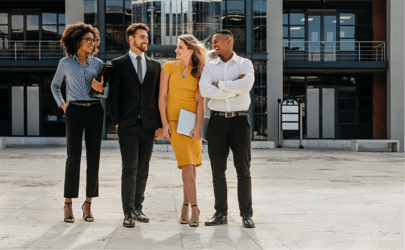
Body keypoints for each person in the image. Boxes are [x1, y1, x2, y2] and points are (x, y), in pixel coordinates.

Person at [51, 22, 108, 223]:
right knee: (73, 157)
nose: (92, 43)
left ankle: (88, 204)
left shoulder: (98, 64)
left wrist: (102, 91)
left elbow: (107, 89)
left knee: (94, 158)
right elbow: (55, 85)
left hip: (94, 110)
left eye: (94, 40)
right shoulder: (65, 63)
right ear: (77, 42)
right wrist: (63, 105)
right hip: (74, 111)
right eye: (88, 40)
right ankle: (68, 204)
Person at [199, 30, 256, 228]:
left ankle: (246, 214)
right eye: (213, 42)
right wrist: (233, 90)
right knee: (217, 170)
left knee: (243, 170)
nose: (213, 44)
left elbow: (247, 84)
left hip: (240, 122)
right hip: (216, 123)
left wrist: (220, 85)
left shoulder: (244, 64)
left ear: (229, 41)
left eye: (217, 41)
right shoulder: (209, 66)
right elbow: (205, 90)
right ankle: (220, 213)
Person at [109, 23, 163, 228]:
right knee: (129, 168)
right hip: (127, 124)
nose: (145, 40)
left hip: (148, 125)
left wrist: (158, 124)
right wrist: (116, 121)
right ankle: (128, 212)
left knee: (143, 168)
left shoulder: (155, 66)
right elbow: (114, 95)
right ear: (130, 39)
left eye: (147, 37)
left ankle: (138, 207)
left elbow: (158, 96)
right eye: (141, 37)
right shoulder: (118, 64)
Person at [159, 35, 206, 227]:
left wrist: (198, 127)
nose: (176, 51)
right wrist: (164, 123)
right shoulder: (168, 67)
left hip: (191, 122)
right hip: (173, 121)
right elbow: (161, 97)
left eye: (180, 47)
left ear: (191, 50)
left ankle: (185, 206)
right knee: (186, 164)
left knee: (192, 165)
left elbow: (201, 102)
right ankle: (196, 209)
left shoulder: (201, 72)